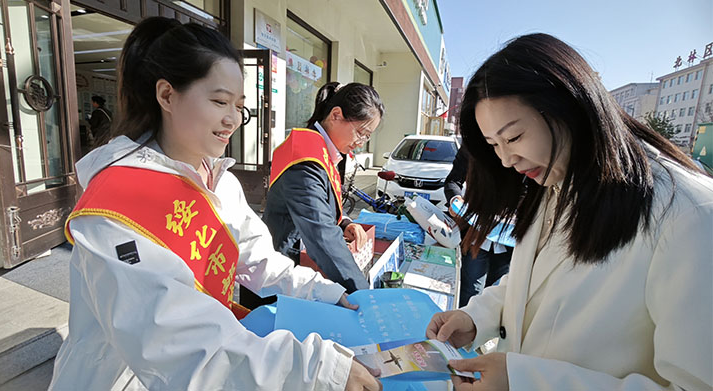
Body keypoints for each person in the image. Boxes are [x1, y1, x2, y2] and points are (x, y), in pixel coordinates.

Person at [49, 17, 381, 391]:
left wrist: (326, 292)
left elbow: (257, 258)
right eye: (219, 101)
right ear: (167, 95)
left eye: (239, 105)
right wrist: (315, 371)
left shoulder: (218, 179)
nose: (233, 119)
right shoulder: (115, 204)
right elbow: (177, 341)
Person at [426, 33, 712, 390]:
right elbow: (532, 283)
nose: (505, 159)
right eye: (493, 144)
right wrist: (476, 317)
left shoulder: (690, 217)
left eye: (513, 138)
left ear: (569, 107)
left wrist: (526, 382)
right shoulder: (558, 179)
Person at [244, 82, 383, 308]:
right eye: (361, 132)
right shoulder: (304, 158)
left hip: (297, 268)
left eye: (366, 137)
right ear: (336, 115)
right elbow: (321, 234)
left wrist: (344, 222)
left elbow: (323, 203)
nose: (360, 143)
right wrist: (366, 297)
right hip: (278, 275)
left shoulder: (322, 149)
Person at [444, 144, 513, 307]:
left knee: (499, 296)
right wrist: (455, 200)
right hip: (476, 236)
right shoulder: (472, 145)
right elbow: (453, 181)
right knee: (471, 293)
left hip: (508, 238)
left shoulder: (519, 148)